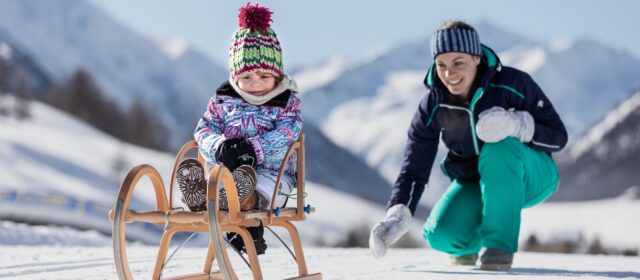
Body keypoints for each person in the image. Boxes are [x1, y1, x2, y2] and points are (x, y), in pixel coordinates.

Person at [369, 20, 568, 271]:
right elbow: (414, 166)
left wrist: (517, 125)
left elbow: (558, 136)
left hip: (533, 174)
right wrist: (398, 212)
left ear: (476, 58)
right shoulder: (433, 105)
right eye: (441, 65)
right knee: (440, 235)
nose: (449, 74)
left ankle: (498, 249)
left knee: (498, 147)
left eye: (458, 63)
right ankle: (471, 245)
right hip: (477, 181)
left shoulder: (513, 83)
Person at [176, 3, 302, 255]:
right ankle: (202, 196)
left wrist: (255, 149)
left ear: (277, 76)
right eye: (246, 78)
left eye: (263, 77)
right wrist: (219, 146)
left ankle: (244, 199)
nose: (255, 84)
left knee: (254, 187)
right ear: (235, 76)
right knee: (224, 183)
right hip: (225, 171)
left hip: (271, 174)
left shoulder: (286, 102)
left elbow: (289, 132)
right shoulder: (223, 99)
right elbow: (204, 129)